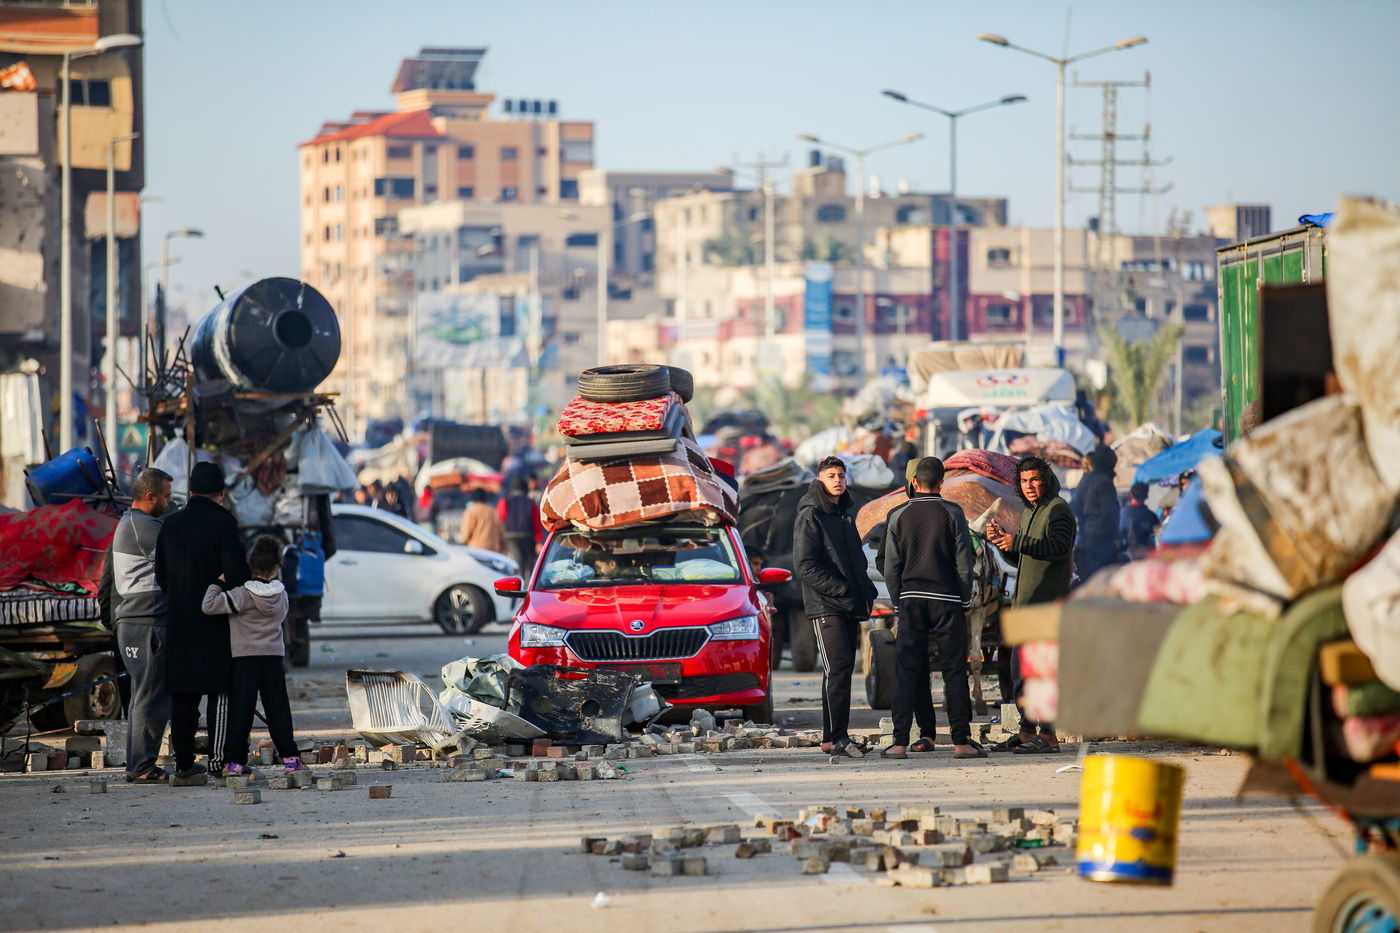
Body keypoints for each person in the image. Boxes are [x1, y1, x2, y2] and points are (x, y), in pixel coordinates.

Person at [881, 457, 983, 760]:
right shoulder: (953, 513)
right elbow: (965, 564)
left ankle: (899, 743)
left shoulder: (897, 514)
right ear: (942, 483)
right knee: (954, 671)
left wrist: (899, 599)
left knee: (907, 670)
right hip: (948, 601)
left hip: (911, 600)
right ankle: (961, 742)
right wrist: (964, 598)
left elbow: (890, 566)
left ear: (914, 483)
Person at [154, 461, 250, 780]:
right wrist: (219, 584)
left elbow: (162, 577)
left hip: (179, 621)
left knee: (183, 694)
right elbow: (237, 575)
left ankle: (183, 765)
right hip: (216, 623)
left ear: (191, 492)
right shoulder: (225, 525)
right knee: (220, 691)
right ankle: (218, 761)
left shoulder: (170, 525)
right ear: (221, 493)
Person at [985, 455, 1076, 754]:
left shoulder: (1058, 510)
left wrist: (1018, 542)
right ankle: (1026, 732)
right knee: (1019, 672)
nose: (1030, 486)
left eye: (1035, 480)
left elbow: (1058, 548)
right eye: (1024, 481)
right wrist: (1005, 544)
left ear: (1046, 480)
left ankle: (1049, 735)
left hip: (1047, 604)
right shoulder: (1028, 514)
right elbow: (1024, 558)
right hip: (1024, 604)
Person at [793, 456, 877, 758]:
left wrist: (864, 590)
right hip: (826, 604)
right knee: (838, 668)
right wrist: (841, 589)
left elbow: (856, 559)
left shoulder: (843, 514)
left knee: (838, 671)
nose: (838, 480)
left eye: (841, 475)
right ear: (820, 480)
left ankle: (832, 738)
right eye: (831, 475)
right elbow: (804, 566)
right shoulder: (810, 515)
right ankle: (838, 737)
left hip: (849, 604)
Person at [202, 536, 306, 776]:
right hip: (273, 659)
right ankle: (291, 759)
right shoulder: (282, 595)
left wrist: (219, 581)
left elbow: (208, 605)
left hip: (244, 660)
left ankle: (235, 763)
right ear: (278, 565)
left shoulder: (241, 595)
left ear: (251, 563)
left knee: (242, 712)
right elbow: (280, 618)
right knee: (278, 710)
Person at [99, 467, 174, 784]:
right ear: (150, 497)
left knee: (146, 694)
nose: (169, 502)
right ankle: (142, 766)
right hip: (145, 624)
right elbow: (180, 558)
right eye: (167, 496)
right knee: (150, 694)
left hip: (136, 622)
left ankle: (138, 764)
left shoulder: (131, 522)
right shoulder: (144, 526)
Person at [1071, 445, 1122, 582]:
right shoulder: (1104, 482)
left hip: (1085, 538)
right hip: (1102, 540)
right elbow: (1109, 513)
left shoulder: (1084, 480)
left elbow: (1075, 507)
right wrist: (1116, 537)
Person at [497, 479, 544, 575]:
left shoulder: (504, 501)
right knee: (529, 565)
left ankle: (519, 583)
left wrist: (500, 539)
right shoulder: (531, 502)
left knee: (517, 563)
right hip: (528, 537)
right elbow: (536, 523)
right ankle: (528, 584)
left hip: (511, 537)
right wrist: (539, 541)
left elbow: (500, 519)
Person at [1120, 481, 1160, 559]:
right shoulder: (1150, 515)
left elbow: (1119, 533)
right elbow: (1157, 534)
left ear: (1130, 494)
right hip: (1147, 554)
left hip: (1128, 553)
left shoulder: (1122, 513)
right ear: (1146, 496)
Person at [460, 488, 507, 553]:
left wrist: (465, 542)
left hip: (476, 549)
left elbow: (467, 532)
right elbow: (501, 531)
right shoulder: (494, 511)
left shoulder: (471, 511)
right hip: (493, 549)